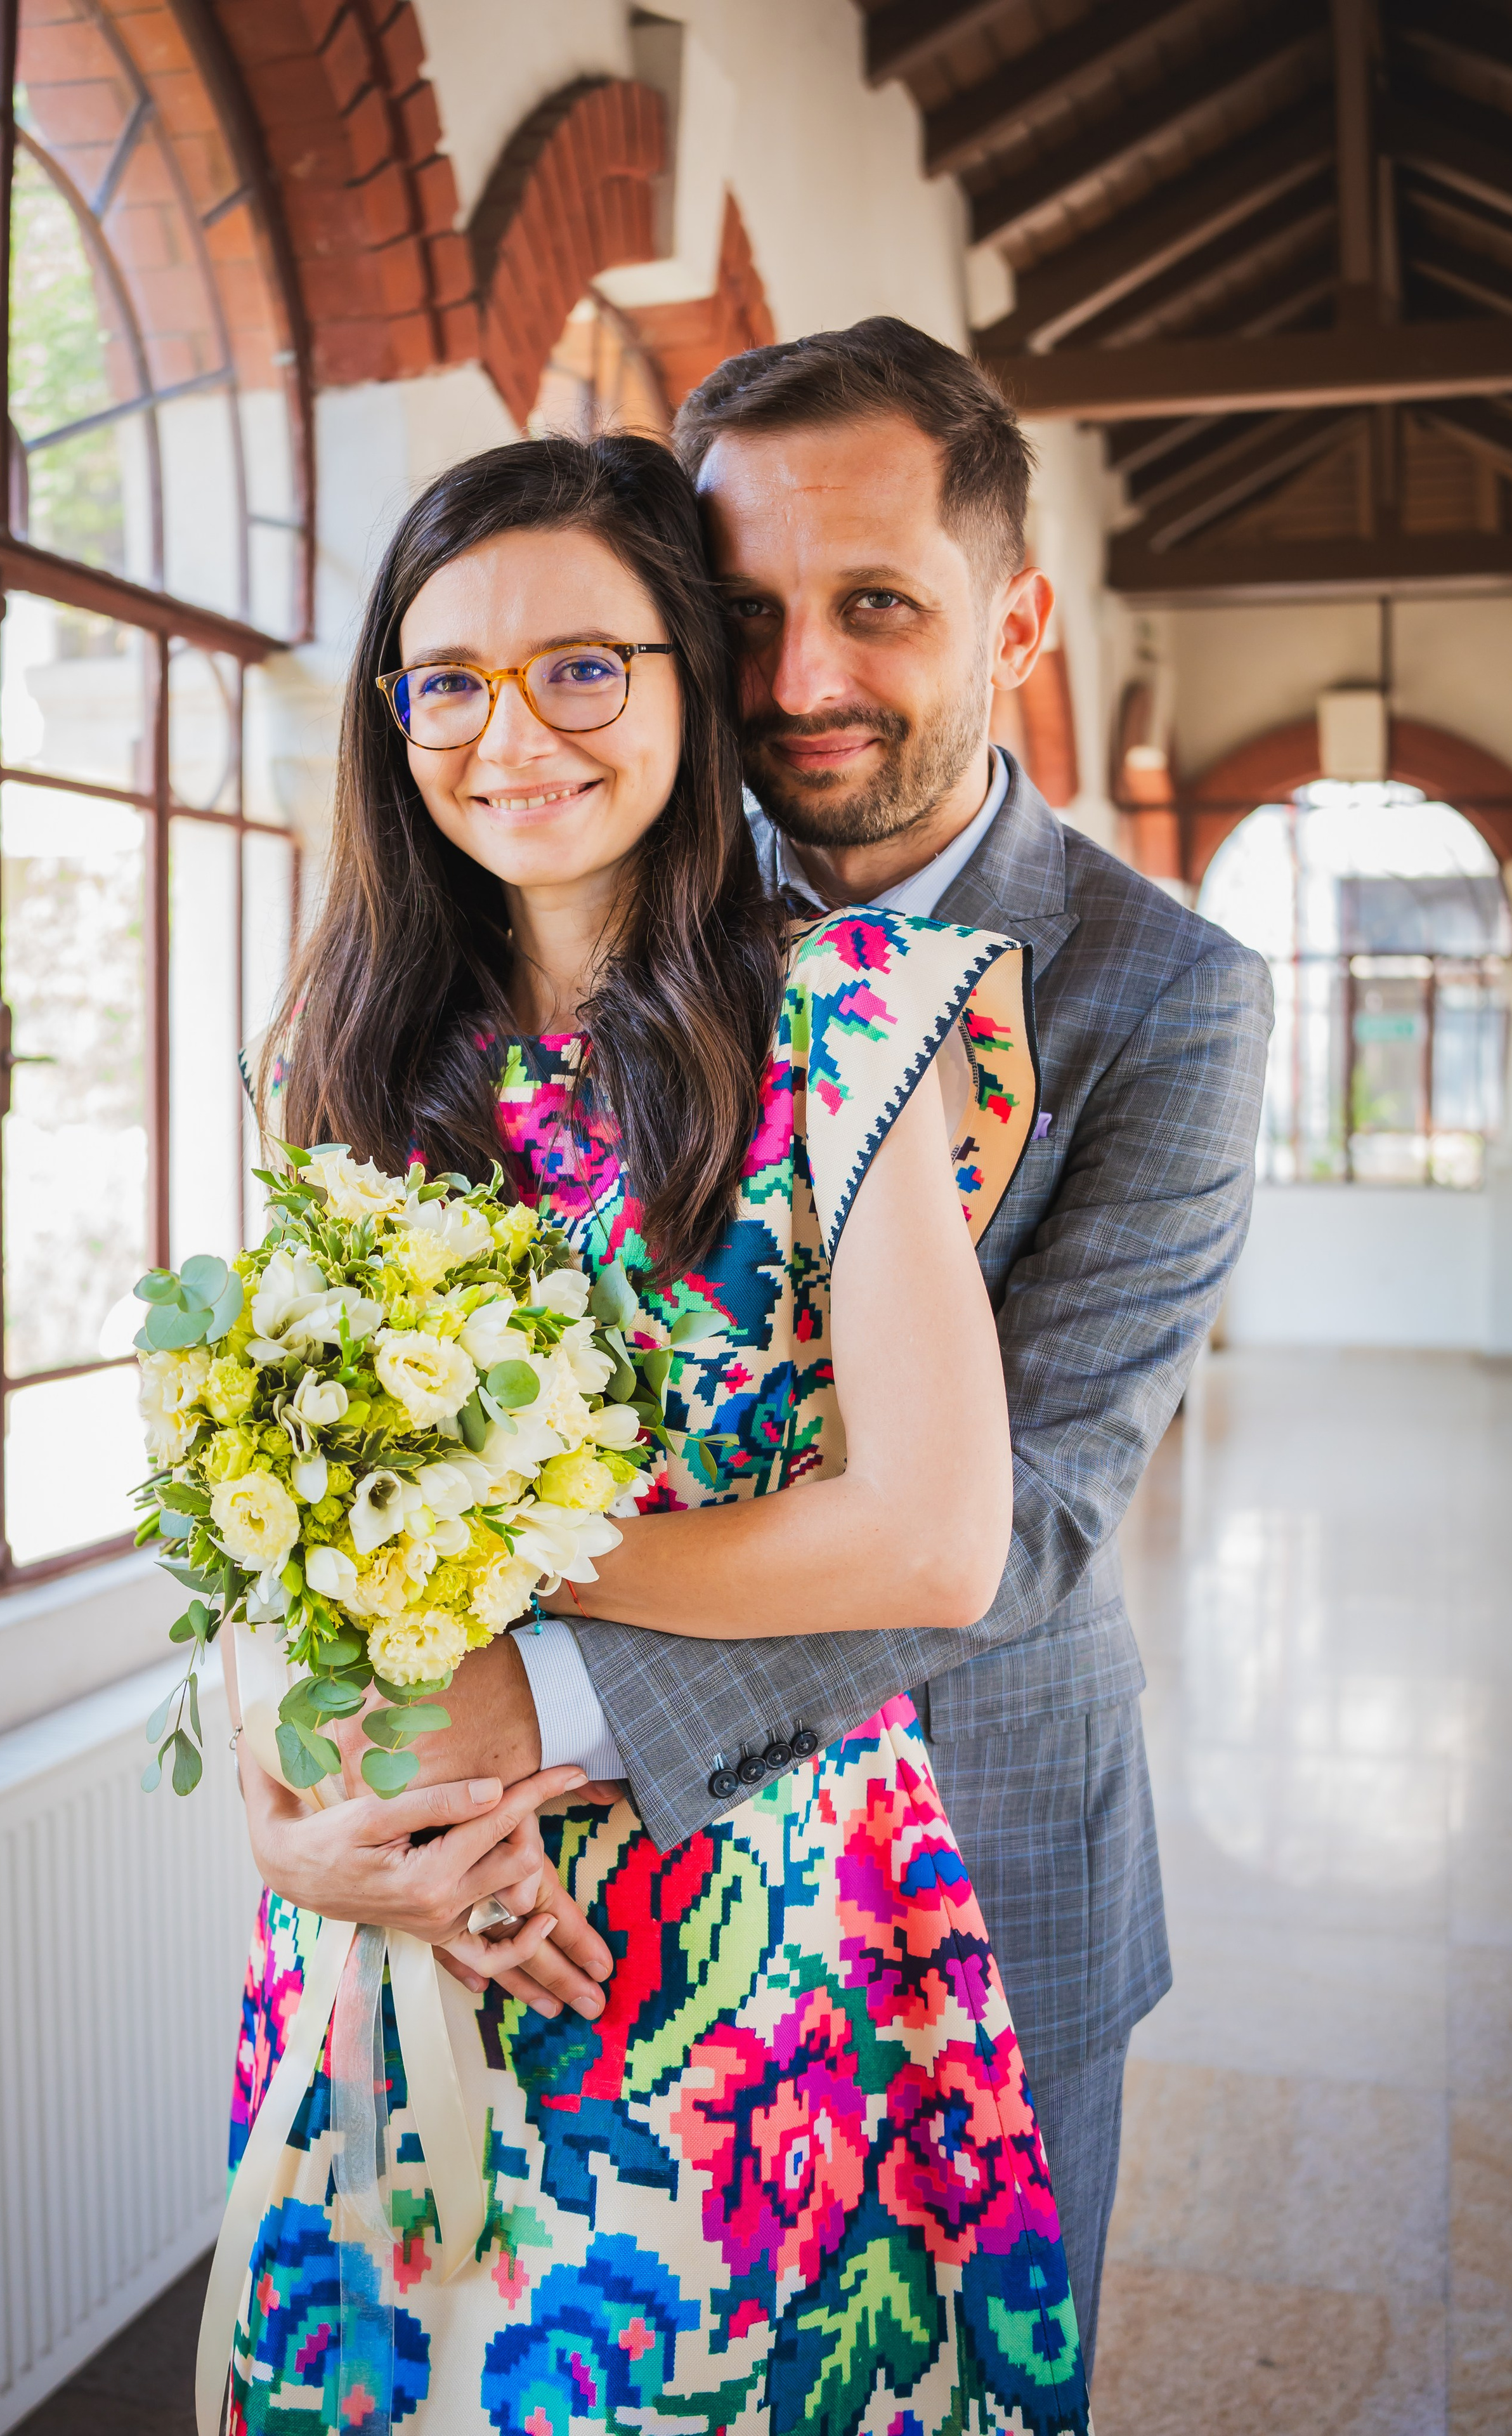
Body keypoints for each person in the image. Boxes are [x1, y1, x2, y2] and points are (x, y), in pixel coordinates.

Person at [413, 322, 1275, 2377]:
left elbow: (1037, 1512)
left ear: (1017, 617)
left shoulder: (1175, 995)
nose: (802, 681)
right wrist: (344, 1783)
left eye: (878, 605)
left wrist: (524, 1684)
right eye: (749, 613)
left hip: (968, 1859)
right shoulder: (582, 904)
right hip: (585, 1896)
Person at [214, 432, 1090, 2435]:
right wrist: (294, 1814)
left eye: (584, 667)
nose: (508, 732)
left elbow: (937, 1539)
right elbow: (278, 1527)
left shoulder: (852, 1023)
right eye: (449, 680)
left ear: (689, 688)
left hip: (746, 1925)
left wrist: (490, 1552)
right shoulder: (352, 1053)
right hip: (407, 1903)